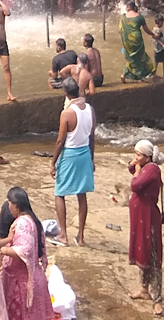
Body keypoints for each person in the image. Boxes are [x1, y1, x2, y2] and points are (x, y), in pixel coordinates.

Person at [0, 186, 51, 320]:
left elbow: (25, 250)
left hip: (21, 284)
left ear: (16, 205)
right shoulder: (33, 220)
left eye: (9, 204)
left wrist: (2, 250)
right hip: (33, 278)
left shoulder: (23, 223)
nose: (8, 207)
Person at [51, 77, 94, 246]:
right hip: (85, 153)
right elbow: (92, 137)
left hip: (70, 154)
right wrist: (92, 158)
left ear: (66, 94)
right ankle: (80, 237)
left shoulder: (67, 113)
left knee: (59, 193)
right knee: (81, 195)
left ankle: (63, 235)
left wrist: (53, 162)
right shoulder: (90, 109)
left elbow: (60, 141)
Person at [128, 139, 164, 316]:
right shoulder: (145, 167)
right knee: (142, 250)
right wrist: (135, 165)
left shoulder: (152, 169)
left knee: (152, 255)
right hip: (139, 216)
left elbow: (135, 185)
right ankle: (144, 289)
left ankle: (157, 299)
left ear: (148, 157)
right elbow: (131, 169)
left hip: (148, 217)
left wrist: (136, 171)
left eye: (138, 155)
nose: (135, 157)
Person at [119, 0, 154, 82]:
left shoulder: (123, 17)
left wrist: (124, 42)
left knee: (130, 58)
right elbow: (146, 30)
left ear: (128, 7)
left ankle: (124, 74)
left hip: (127, 41)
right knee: (140, 57)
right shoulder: (139, 17)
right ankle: (140, 76)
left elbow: (120, 30)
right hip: (137, 41)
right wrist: (153, 34)